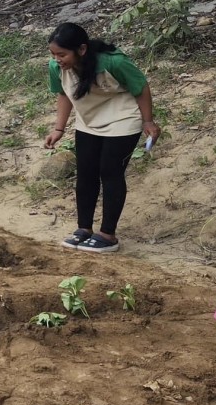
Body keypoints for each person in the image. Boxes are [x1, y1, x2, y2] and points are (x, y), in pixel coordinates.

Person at [44, 22, 160, 254]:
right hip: (89, 120)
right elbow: (64, 95)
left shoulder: (112, 62)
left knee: (110, 172)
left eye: (62, 54)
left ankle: (108, 234)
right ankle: (84, 229)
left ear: (82, 49)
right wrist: (59, 128)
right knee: (86, 172)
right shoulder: (57, 67)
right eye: (53, 54)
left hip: (122, 118)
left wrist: (148, 121)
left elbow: (141, 87)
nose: (57, 59)